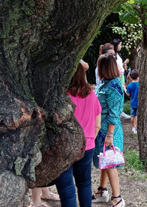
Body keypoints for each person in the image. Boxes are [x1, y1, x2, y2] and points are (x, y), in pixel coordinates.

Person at [54, 63, 101, 207]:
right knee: (85, 184)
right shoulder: (92, 95)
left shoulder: (61, 98)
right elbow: (97, 124)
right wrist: (89, 140)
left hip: (64, 148)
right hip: (87, 146)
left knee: (66, 189)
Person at [92, 53, 125, 207]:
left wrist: (110, 134)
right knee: (104, 158)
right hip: (102, 128)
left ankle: (117, 198)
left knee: (110, 162)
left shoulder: (114, 86)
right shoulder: (105, 83)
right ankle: (102, 190)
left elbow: (114, 112)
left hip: (109, 130)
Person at [124, 70, 140, 134]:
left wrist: (124, 88)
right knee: (136, 116)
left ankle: (133, 127)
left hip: (132, 102)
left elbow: (128, 94)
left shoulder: (130, 85)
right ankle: (136, 128)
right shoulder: (139, 84)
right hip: (138, 103)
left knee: (132, 116)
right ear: (138, 77)